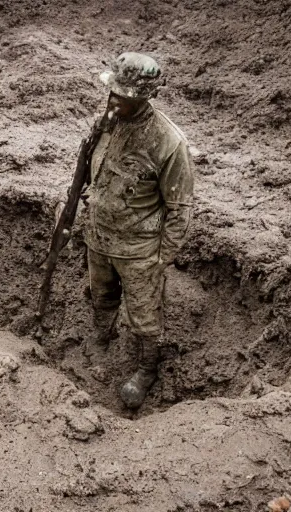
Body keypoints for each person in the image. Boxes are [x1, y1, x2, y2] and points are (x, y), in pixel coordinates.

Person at [83, 52, 194, 408]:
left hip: (139, 249)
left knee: (144, 315)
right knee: (101, 295)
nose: (113, 100)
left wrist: (161, 258)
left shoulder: (168, 142)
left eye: (123, 96)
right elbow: (88, 175)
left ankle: (146, 368)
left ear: (144, 97)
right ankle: (102, 338)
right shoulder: (106, 123)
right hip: (98, 238)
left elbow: (180, 208)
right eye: (112, 92)